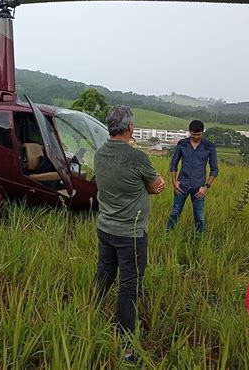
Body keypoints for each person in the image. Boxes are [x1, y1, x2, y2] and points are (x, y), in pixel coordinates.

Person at [93, 105, 165, 363]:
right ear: (130, 128)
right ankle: (126, 348)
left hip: (105, 228)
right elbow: (155, 186)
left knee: (104, 273)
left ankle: (90, 317)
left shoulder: (100, 154)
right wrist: (158, 185)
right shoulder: (137, 158)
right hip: (130, 232)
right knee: (129, 287)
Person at [167, 119, 218, 233]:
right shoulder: (182, 144)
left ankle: (199, 240)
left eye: (198, 134)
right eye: (193, 134)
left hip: (199, 187)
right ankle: (168, 235)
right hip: (181, 185)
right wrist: (174, 182)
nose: (196, 137)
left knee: (199, 217)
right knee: (175, 212)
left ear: (202, 132)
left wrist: (206, 187)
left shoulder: (209, 147)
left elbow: (214, 170)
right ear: (189, 132)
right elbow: (173, 164)